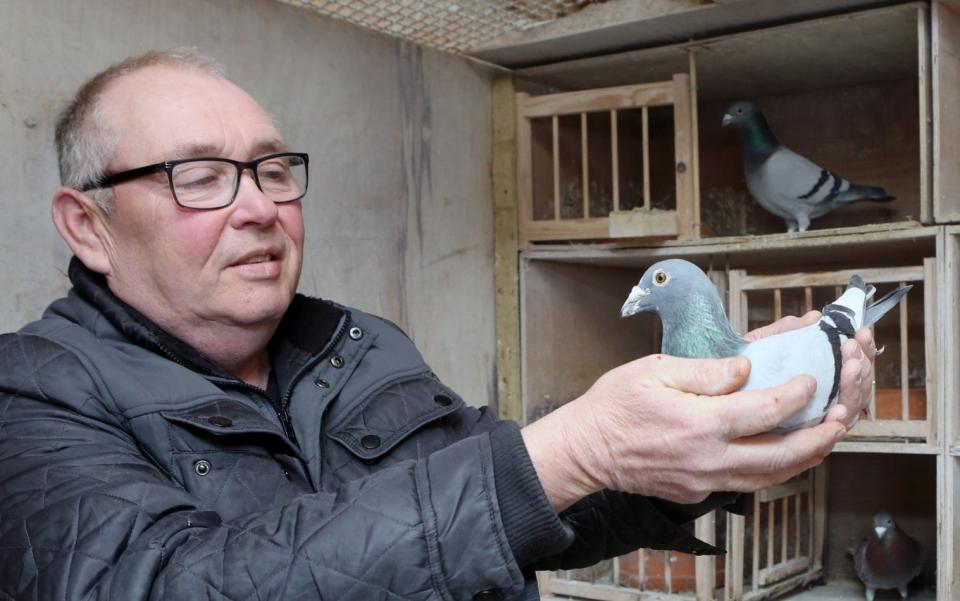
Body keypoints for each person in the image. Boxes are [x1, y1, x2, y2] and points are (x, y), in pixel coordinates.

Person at [0, 49, 875, 601]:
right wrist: (572, 448)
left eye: (272, 168)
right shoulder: (32, 395)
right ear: (88, 224)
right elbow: (174, 583)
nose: (260, 207)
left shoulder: (356, 344)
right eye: (199, 176)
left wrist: (718, 436)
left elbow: (530, 507)